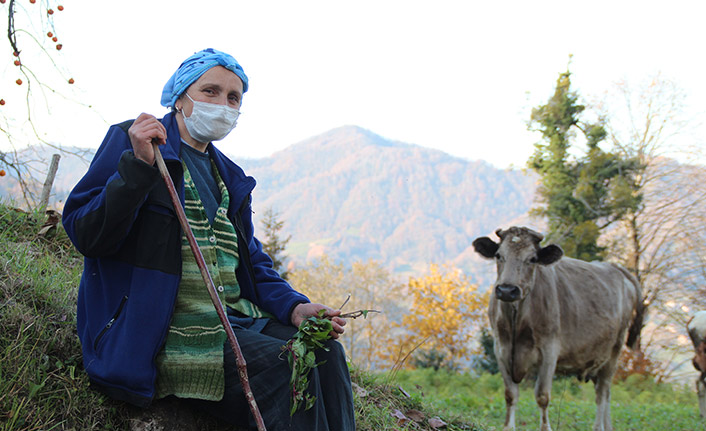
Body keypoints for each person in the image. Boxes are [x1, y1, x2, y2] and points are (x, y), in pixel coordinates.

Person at [62, 48, 355, 431]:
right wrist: (136, 168)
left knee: (325, 351)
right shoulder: (135, 142)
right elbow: (87, 233)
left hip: (233, 320)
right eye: (211, 91)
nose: (223, 104)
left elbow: (249, 261)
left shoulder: (228, 176)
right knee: (282, 362)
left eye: (234, 97)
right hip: (158, 328)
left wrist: (295, 308)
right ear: (181, 96)